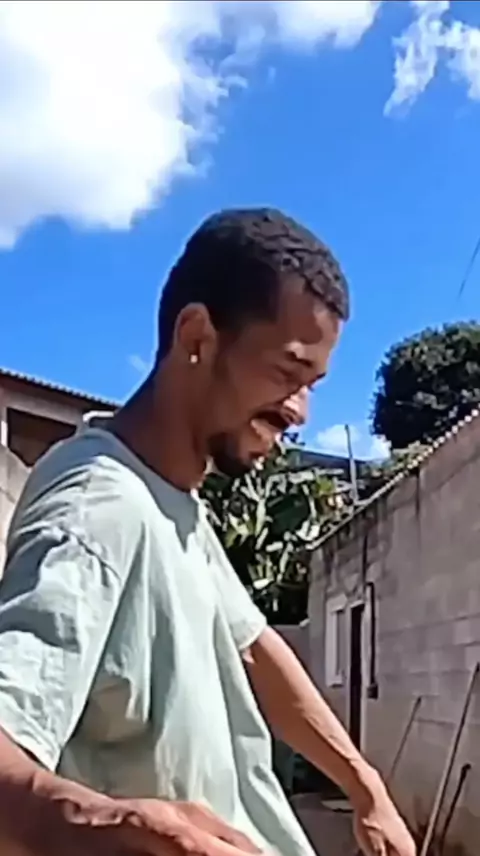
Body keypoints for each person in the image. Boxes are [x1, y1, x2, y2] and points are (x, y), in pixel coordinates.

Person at [0, 208, 415, 856]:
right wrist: (88, 823)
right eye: (287, 372)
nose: (299, 412)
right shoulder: (98, 509)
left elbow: (256, 648)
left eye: (312, 384)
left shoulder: (171, 500)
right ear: (197, 336)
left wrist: (367, 790)